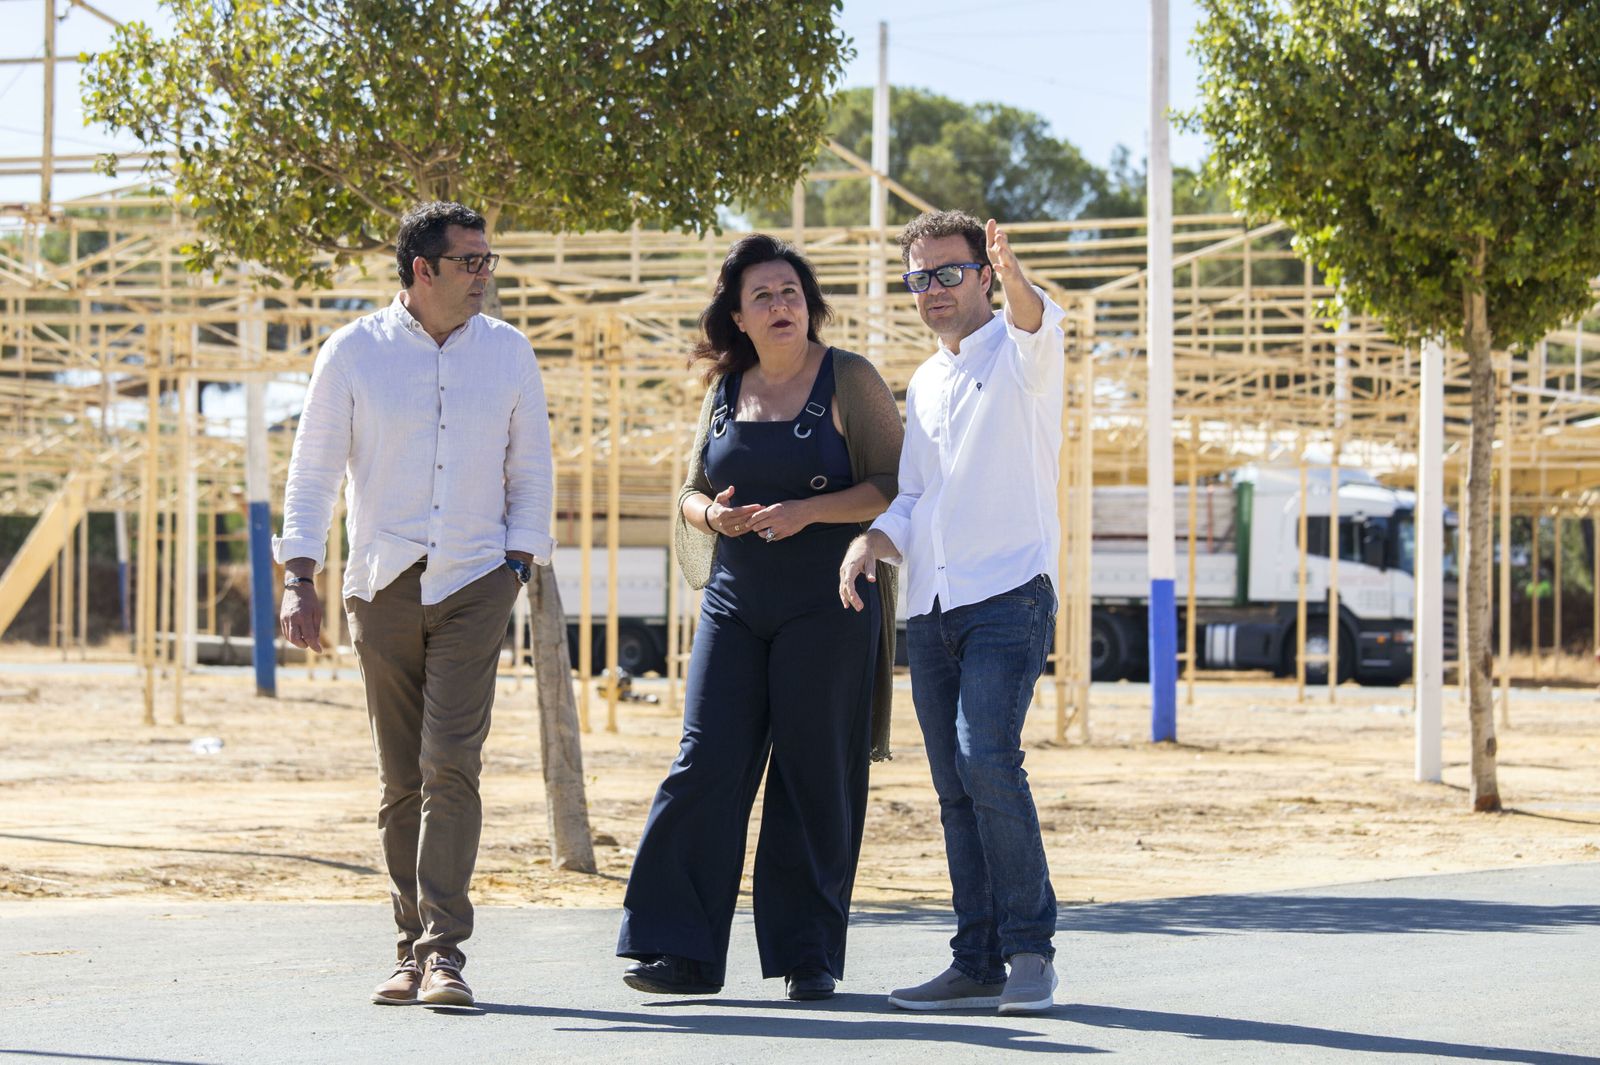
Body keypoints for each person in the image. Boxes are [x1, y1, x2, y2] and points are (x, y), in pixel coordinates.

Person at [275, 201, 554, 1009]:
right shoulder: (353, 352)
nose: (485, 275)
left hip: (476, 579)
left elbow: (530, 466)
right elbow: (314, 467)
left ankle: (444, 952)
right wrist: (302, 572)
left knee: (450, 763)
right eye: (470, 261)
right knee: (400, 776)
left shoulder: (509, 353)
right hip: (383, 583)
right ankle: (406, 944)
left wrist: (516, 562)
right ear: (421, 270)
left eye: (488, 260)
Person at [617, 234, 903, 1002]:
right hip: (735, 601)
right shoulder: (723, 391)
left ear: (809, 303)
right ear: (737, 318)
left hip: (830, 599)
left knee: (814, 771)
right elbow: (687, 492)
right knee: (704, 760)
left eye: (791, 292)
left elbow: (894, 483)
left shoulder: (851, 378)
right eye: (763, 297)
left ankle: (807, 955)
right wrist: (714, 515)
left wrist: (809, 511)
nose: (781, 306)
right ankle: (679, 951)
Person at [840, 210, 1063, 1015]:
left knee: (987, 758)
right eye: (919, 278)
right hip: (932, 606)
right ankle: (976, 959)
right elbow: (916, 496)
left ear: (981, 273)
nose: (932, 290)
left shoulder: (1023, 347)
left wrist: (1014, 276)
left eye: (949, 272)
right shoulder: (925, 381)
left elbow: (1035, 320)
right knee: (954, 786)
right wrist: (872, 541)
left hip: (1009, 593)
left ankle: (1029, 948)